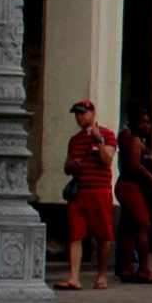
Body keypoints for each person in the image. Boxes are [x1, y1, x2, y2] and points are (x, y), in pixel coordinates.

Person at [56, 100, 118, 291]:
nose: (79, 117)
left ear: (92, 113)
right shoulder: (75, 140)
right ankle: (74, 277)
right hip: (79, 192)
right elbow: (66, 167)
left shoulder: (107, 135)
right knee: (76, 235)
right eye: (76, 114)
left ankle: (101, 275)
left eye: (82, 113)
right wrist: (72, 164)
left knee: (102, 236)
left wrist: (99, 140)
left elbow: (107, 160)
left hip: (100, 191)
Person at [114, 106, 152, 284]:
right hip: (129, 187)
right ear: (134, 124)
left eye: (148, 123)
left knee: (130, 226)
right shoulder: (134, 140)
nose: (146, 126)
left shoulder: (141, 141)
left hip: (132, 187)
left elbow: (146, 166)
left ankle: (127, 268)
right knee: (144, 225)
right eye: (142, 123)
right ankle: (143, 268)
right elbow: (135, 164)